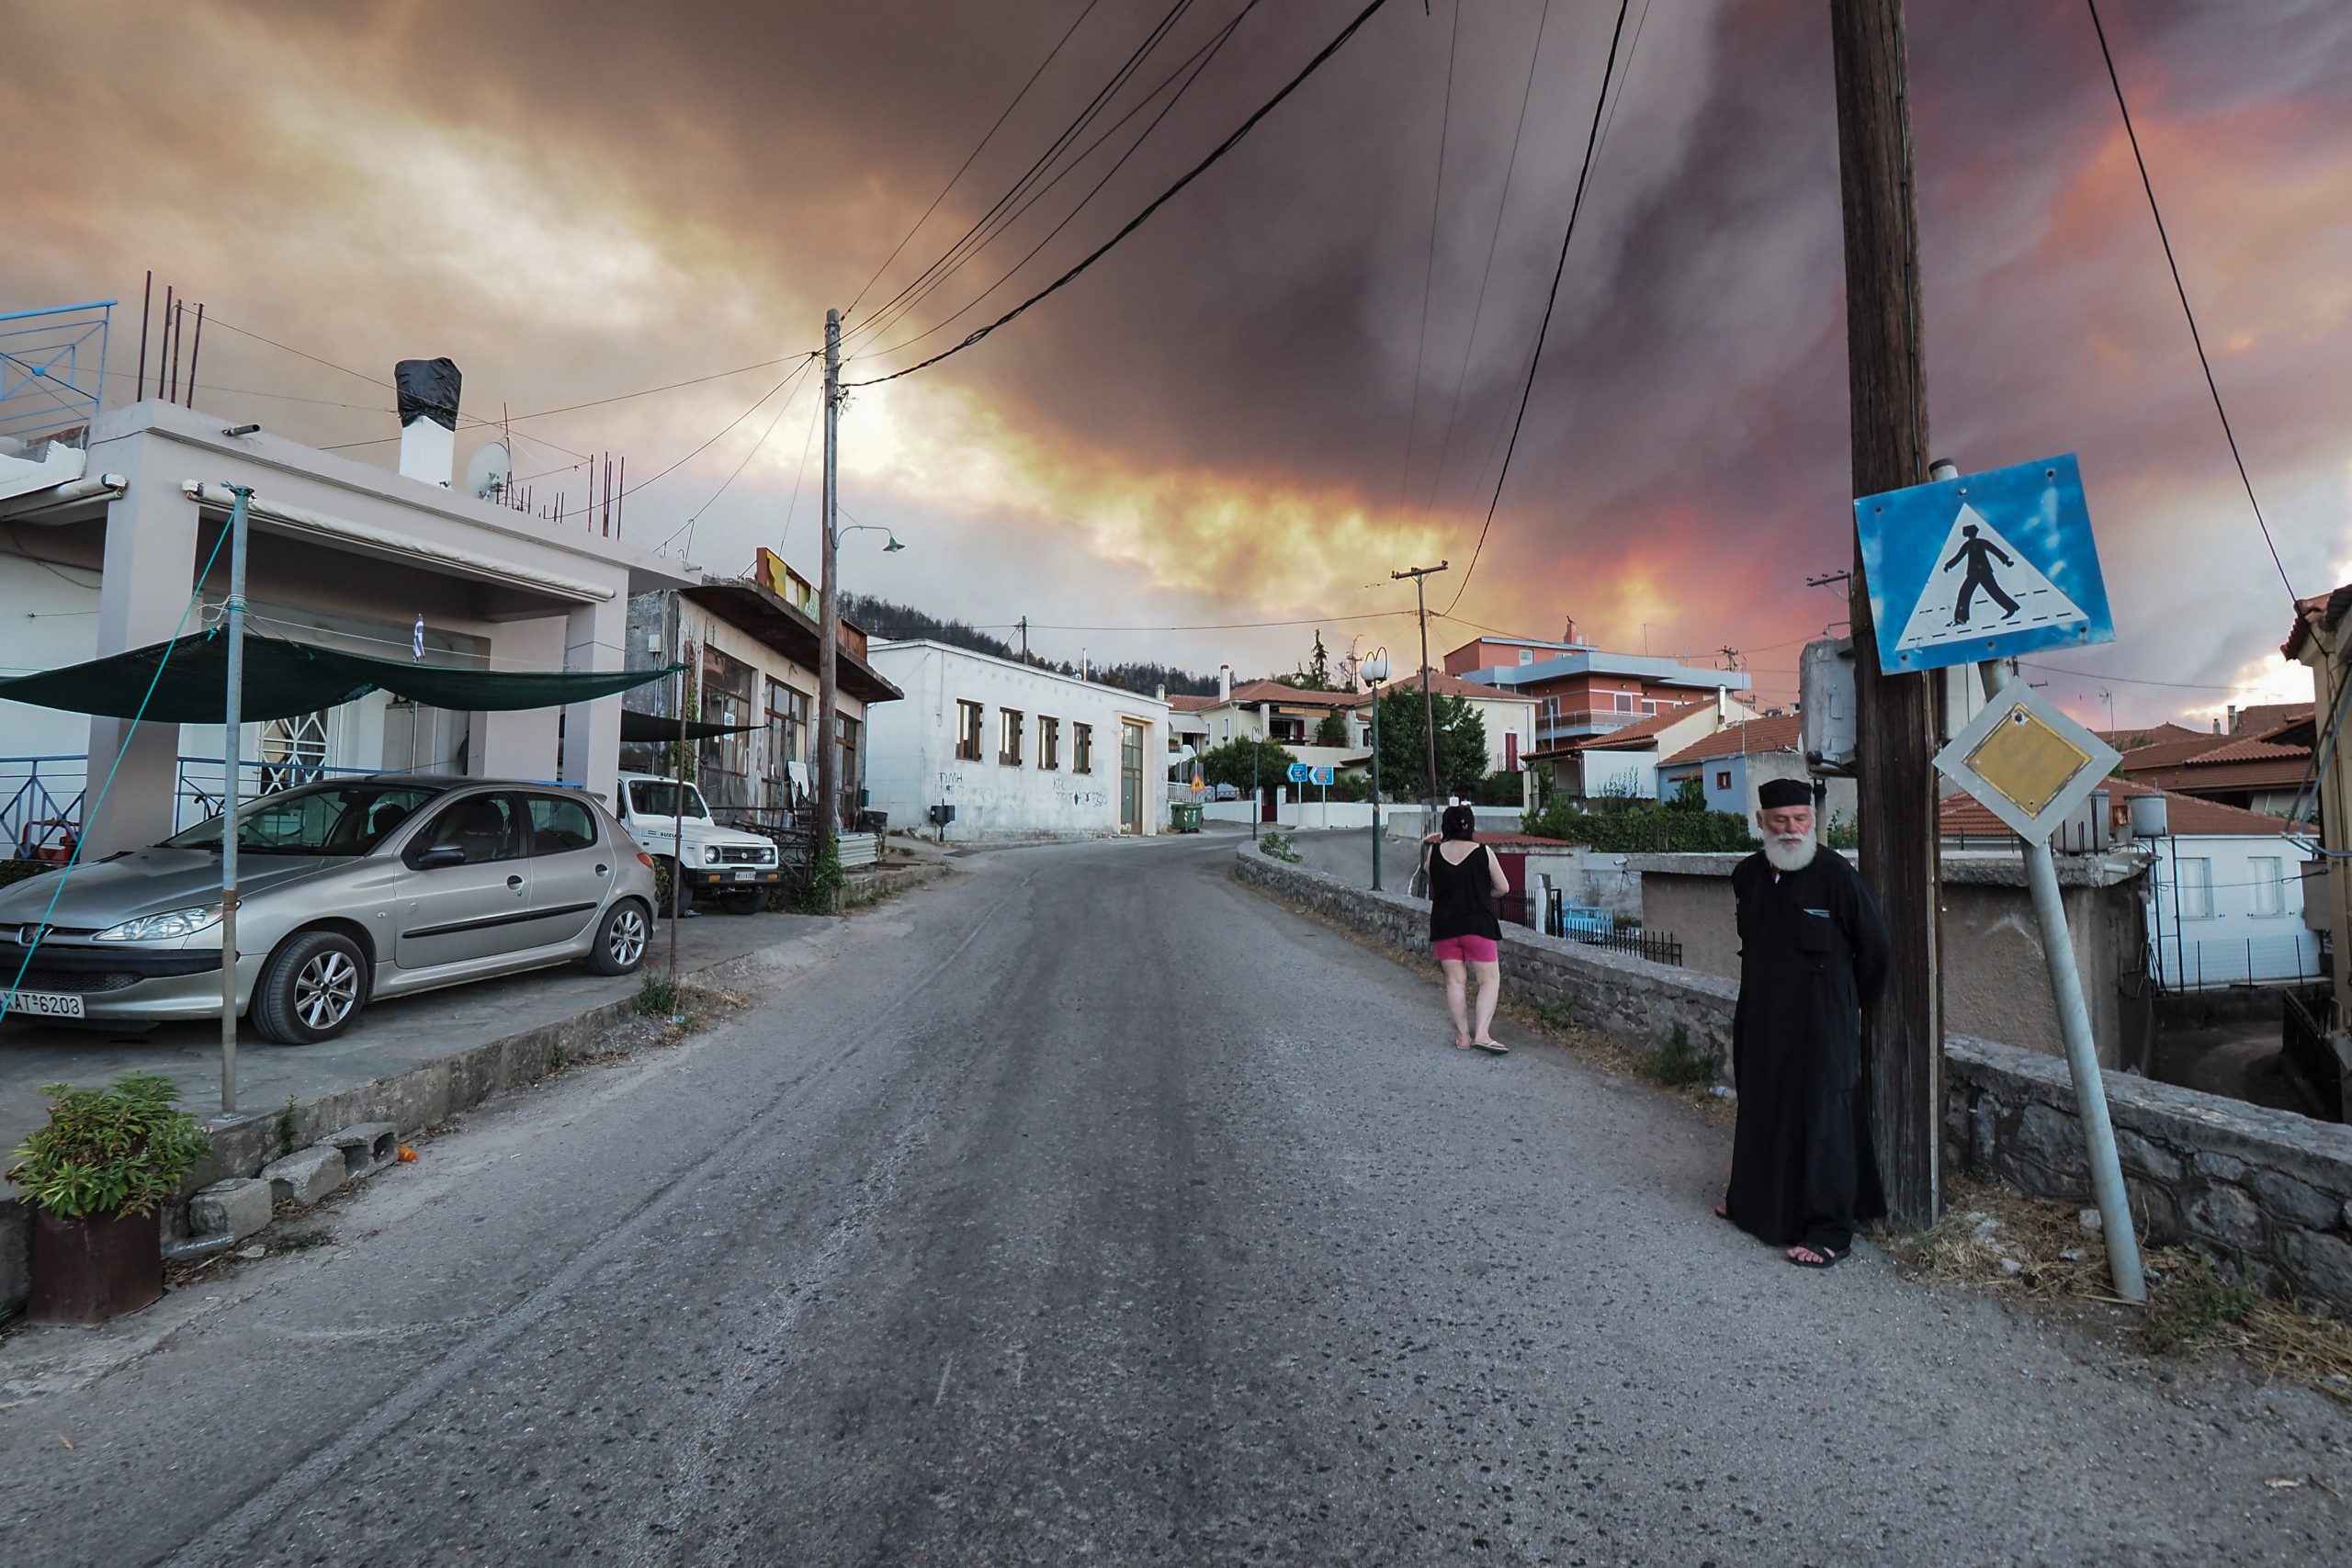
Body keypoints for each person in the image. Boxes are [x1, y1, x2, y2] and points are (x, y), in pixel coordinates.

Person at [1717, 778, 1890, 1268]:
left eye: (1800, 820)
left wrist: (1844, 1003)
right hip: (1763, 1016)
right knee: (1759, 1105)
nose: (1791, 829)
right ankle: (1751, 1204)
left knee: (1824, 1120)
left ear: (1813, 821)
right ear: (1761, 823)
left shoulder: (1836, 876)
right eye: (1780, 821)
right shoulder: (1747, 875)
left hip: (1822, 1021)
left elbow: (1875, 951)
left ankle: (1829, 1230)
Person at [1420, 804, 1510, 1055]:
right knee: (1489, 980)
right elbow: (1504, 887)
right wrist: (1482, 894)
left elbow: (1430, 874)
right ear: (1471, 825)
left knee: (1455, 981)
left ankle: (1463, 1037)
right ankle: (1482, 1034)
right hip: (1477, 925)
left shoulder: (1434, 853)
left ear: (1445, 826)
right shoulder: (1484, 852)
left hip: (1444, 925)